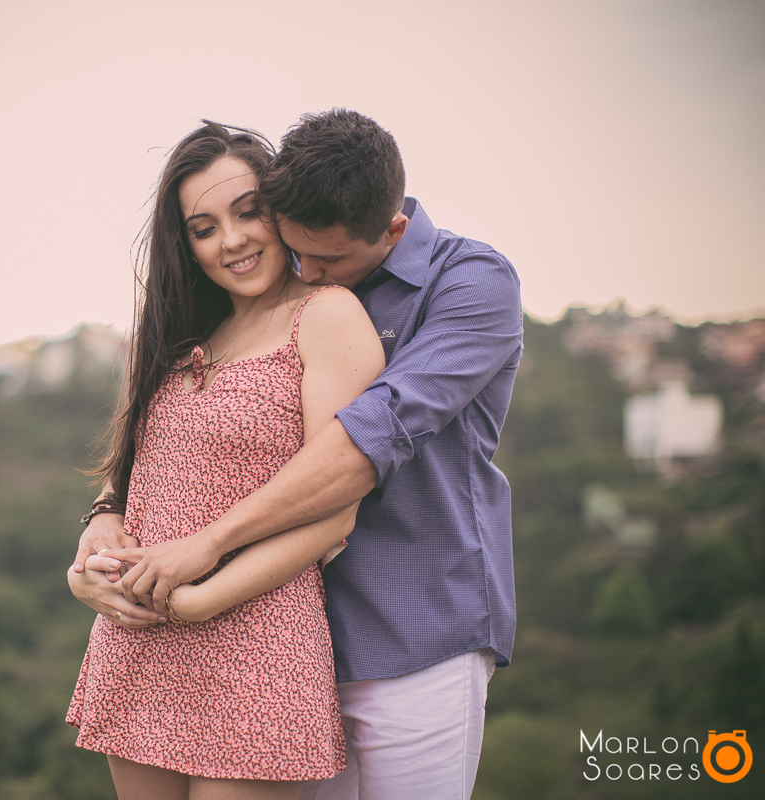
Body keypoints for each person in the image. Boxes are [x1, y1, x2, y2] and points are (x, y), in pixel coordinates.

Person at [75, 109, 523, 800]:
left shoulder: (465, 284)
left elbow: (359, 450)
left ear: (390, 231)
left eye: (328, 259)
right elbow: (161, 459)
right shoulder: (224, 310)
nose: (310, 268)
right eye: (299, 246)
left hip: (411, 627)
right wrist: (101, 527)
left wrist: (202, 557)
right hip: (294, 622)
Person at [65, 121, 386, 799]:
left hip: (256, 642)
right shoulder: (178, 333)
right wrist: (96, 539)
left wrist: (195, 602)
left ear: (281, 211)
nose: (233, 240)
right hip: (139, 639)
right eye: (204, 227)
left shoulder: (326, 317)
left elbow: (335, 514)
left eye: (248, 212)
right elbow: (135, 478)